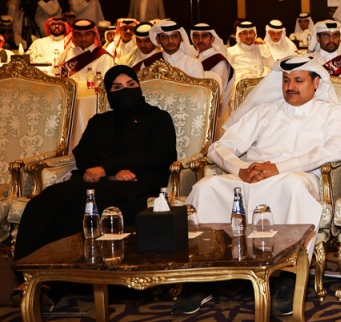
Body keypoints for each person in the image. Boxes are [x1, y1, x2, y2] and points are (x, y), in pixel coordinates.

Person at [181, 56, 341, 315]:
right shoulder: (265, 111)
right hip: (251, 176)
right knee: (207, 187)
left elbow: (337, 149)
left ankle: (290, 275)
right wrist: (240, 168)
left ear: (316, 83)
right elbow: (220, 147)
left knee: (292, 187)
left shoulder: (330, 112)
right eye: (285, 80)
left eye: (298, 80)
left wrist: (278, 168)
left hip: (297, 176)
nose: (290, 86)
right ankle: (204, 276)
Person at [15, 66, 176, 261]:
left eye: (131, 84)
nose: (125, 90)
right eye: (117, 88)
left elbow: (157, 154)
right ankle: (29, 267)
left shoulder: (158, 118)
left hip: (138, 181)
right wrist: (108, 174)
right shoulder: (101, 121)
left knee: (85, 206)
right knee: (44, 202)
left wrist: (107, 168)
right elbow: (82, 153)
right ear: (109, 94)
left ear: (139, 86)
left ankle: (80, 271)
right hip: (99, 181)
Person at [56, 19, 113, 86]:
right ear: (74, 36)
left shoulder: (104, 57)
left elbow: (105, 85)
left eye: (87, 34)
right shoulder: (66, 54)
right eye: (79, 34)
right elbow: (54, 76)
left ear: (94, 35)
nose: (83, 38)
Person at [190, 23, 234, 104]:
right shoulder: (192, 58)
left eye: (204, 36)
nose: (200, 40)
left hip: (209, 104)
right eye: (196, 37)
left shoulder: (219, 61)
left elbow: (216, 91)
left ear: (212, 39)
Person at [227, 21, 272, 85]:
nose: (248, 36)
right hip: (239, 88)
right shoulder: (230, 51)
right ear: (239, 35)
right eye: (245, 33)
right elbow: (226, 74)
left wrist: (264, 45)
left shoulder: (261, 49)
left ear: (255, 34)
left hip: (259, 85)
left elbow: (271, 65)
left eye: (251, 32)